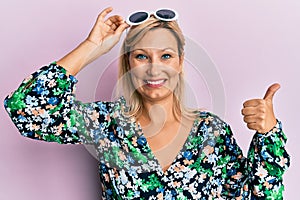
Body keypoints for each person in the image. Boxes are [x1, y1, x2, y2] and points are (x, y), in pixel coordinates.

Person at [4, 7, 290, 199]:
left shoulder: (212, 132)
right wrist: (91, 47)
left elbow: (260, 196)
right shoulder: (107, 125)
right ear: (128, 62)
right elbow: (26, 110)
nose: (154, 69)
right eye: (141, 56)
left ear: (180, 61)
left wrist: (268, 136)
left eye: (166, 56)